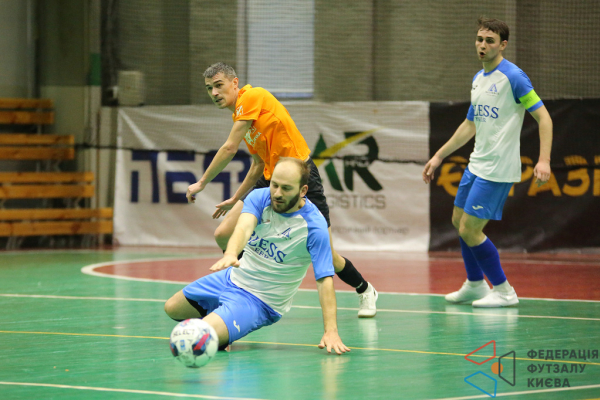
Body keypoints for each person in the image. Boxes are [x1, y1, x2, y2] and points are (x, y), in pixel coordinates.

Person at [185, 62, 378, 317]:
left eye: (219, 85)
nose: (214, 93)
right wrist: (235, 198)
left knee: (328, 256)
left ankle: (365, 289)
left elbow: (229, 148)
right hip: (270, 179)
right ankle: (242, 287)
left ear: (235, 83)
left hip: (299, 177)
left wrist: (202, 182)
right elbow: (258, 164)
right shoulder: (242, 119)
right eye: (209, 88)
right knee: (224, 234)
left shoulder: (252, 97)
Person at [422, 17, 553, 307]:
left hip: (498, 168)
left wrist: (544, 160)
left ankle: (504, 291)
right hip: (476, 164)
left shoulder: (514, 77)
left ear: (502, 45)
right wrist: (439, 155)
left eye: (490, 41)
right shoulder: (478, 79)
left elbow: (544, 117)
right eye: (480, 39)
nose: (482, 45)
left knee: (470, 229)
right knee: (458, 221)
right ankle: (475, 284)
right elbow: (470, 124)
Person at [165, 158, 350, 355]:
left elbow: (324, 280)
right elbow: (244, 227)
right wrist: (231, 252)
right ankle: (222, 324)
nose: (277, 193)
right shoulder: (260, 197)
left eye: (286, 188)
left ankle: (222, 325)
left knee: (197, 337)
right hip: (231, 278)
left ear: (303, 190)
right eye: (274, 185)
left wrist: (331, 331)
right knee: (172, 308)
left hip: (260, 301)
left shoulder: (314, 226)